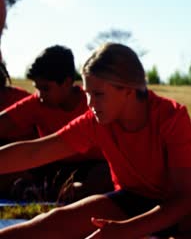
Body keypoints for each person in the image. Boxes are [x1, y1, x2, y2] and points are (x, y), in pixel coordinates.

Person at [0, 43, 191, 238]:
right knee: (50, 224)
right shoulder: (96, 120)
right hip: (127, 202)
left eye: (98, 94)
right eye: (87, 94)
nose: (90, 103)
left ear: (129, 91)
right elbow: (36, 152)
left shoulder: (171, 117)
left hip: (178, 210)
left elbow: (182, 201)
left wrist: (125, 232)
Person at [0, 45, 112, 202]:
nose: (40, 95)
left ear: (66, 82)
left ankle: (59, 193)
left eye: (45, 88)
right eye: (37, 88)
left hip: (91, 168)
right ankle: (43, 191)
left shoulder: (91, 106)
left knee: (105, 174)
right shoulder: (37, 103)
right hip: (50, 167)